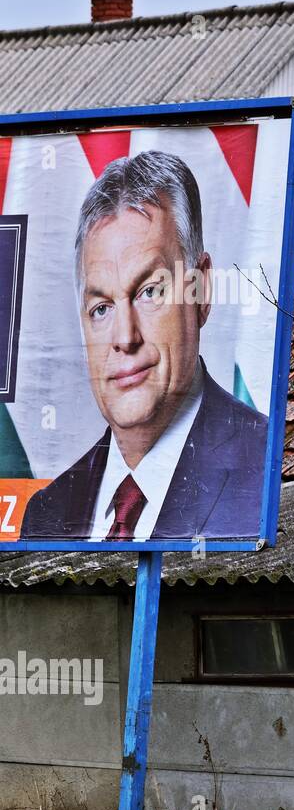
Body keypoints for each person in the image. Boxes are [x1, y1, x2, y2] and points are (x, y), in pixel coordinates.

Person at [21, 151, 267, 541]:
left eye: (149, 291)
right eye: (101, 308)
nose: (124, 337)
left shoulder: (268, 468)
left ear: (201, 289)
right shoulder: (46, 513)